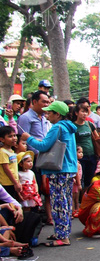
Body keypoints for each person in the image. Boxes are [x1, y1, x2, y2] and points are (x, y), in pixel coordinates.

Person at [22, 101, 77, 247]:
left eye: (49, 112)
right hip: (69, 169)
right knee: (65, 201)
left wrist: (28, 138)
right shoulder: (68, 127)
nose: (47, 115)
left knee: (58, 203)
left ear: (57, 114)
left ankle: (62, 236)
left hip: (58, 169)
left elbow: (43, 146)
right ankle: (62, 232)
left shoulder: (57, 127)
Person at [17, 90, 50, 155]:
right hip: (33, 157)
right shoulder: (25, 117)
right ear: (34, 102)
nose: (46, 105)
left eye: (48, 102)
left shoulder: (44, 118)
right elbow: (23, 139)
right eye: (43, 102)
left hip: (45, 155)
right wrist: (35, 154)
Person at [0, 126, 21, 200]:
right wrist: (15, 183)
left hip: (13, 182)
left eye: (14, 135)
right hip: (6, 183)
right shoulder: (2, 152)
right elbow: (6, 169)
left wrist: (17, 182)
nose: (14, 138)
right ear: (2, 139)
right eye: (10, 136)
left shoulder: (12, 152)